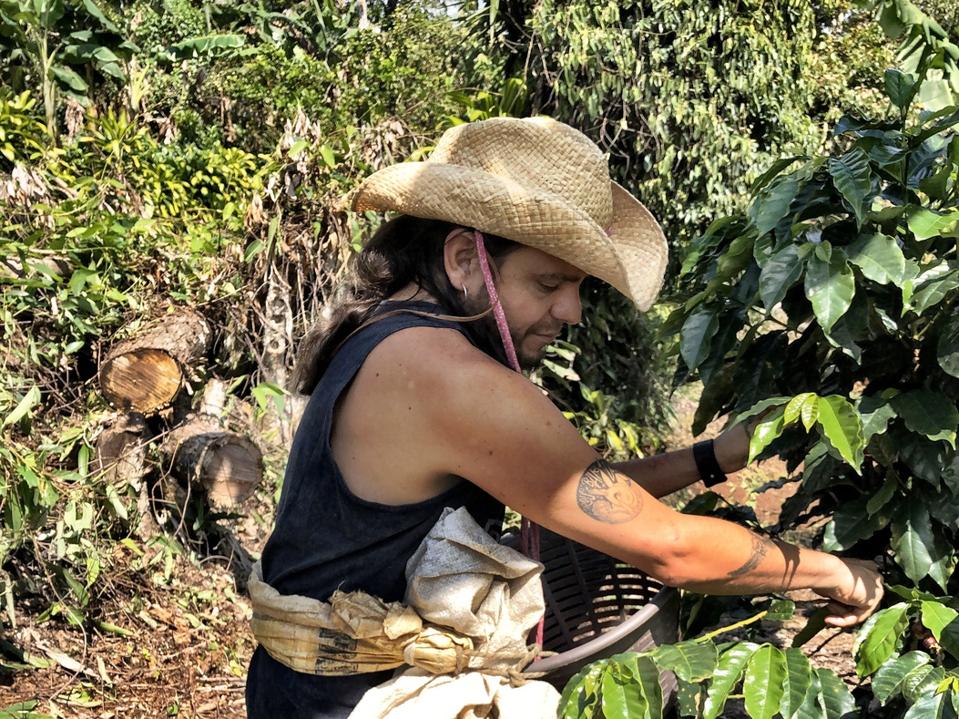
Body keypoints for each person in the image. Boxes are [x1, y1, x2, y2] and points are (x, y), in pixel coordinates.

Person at [245, 117, 883, 718]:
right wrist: (834, 572)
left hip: (302, 689)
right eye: (549, 284)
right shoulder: (449, 377)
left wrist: (715, 456)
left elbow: (580, 487)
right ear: (464, 258)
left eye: (578, 286)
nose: (572, 311)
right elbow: (672, 548)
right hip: (350, 701)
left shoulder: (390, 332)